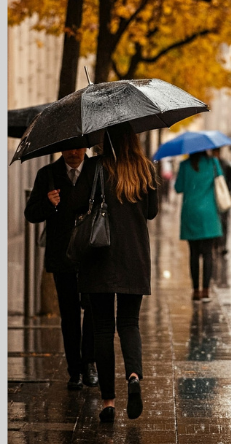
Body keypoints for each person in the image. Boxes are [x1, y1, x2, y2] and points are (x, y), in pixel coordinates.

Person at [76, 122, 159, 423]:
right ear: (133, 139)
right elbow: (151, 211)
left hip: (100, 256)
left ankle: (108, 401)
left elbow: (76, 205)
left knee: (102, 329)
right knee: (129, 323)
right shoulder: (145, 169)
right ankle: (134, 376)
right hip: (134, 257)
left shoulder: (96, 167)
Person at [25, 147, 100, 391]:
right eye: (68, 147)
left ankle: (89, 363)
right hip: (61, 256)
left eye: (79, 146)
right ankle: (74, 370)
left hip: (91, 254)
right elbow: (31, 214)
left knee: (91, 311)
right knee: (68, 316)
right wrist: (48, 203)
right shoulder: (47, 173)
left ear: (86, 147)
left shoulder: (97, 171)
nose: (74, 152)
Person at [175, 150, 223, 301]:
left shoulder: (184, 165)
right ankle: (206, 291)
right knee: (208, 254)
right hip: (208, 213)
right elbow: (221, 181)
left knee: (194, 254)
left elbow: (178, 188)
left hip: (191, 212)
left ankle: (195, 290)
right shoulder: (213, 163)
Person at [211, 147, 231, 255]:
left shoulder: (225, 165)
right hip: (213, 199)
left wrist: (226, 190)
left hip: (223, 198)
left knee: (224, 222)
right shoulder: (210, 165)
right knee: (215, 221)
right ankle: (216, 244)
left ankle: (223, 244)